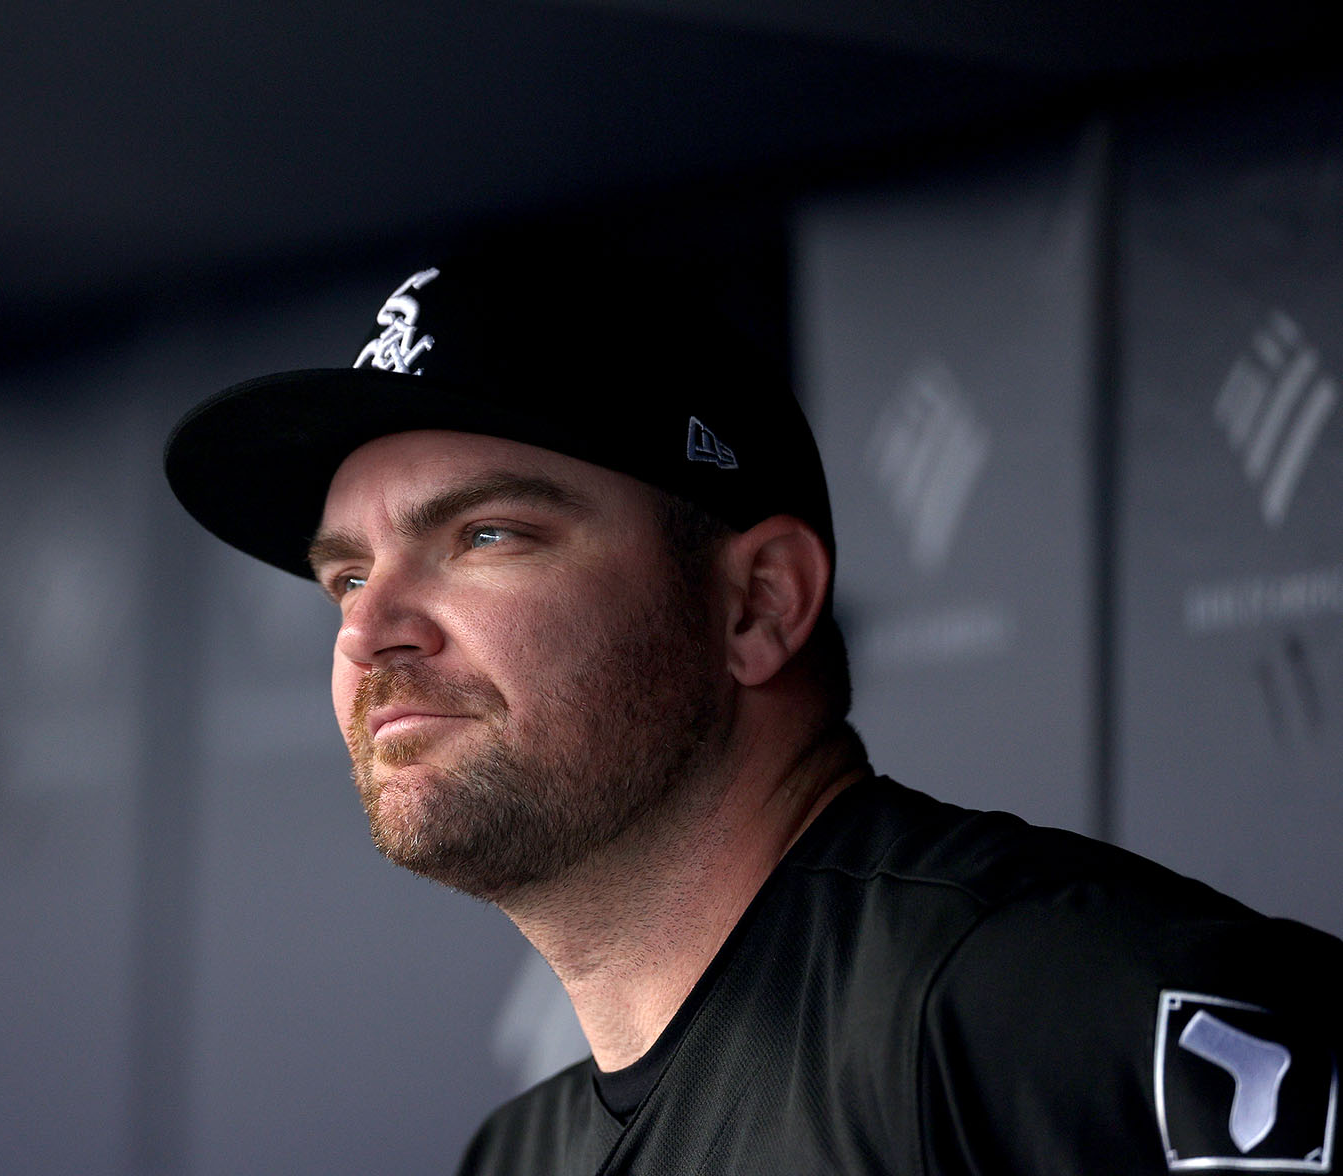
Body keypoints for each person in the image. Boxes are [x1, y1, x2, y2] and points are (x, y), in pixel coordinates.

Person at [165, 233, 1343, 1175]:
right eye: (347, 577)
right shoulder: (518, 1155)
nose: (370, 631)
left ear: (756, 606)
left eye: (485, 534)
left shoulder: (1032, 1011)